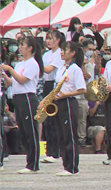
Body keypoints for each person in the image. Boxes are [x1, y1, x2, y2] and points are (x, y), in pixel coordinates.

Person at [39, 41, 86, 176]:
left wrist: (66, 94)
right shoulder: (61, 69)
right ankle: (66, 165)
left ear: (73, 53)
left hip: (69, 102)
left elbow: (82, 89)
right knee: (61, 135)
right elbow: (55, 88)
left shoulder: (75, 69)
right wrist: (44, 100)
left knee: (69, 136)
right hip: (58, 103)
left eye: (65, 50)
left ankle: (72, 167)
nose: (62, 52)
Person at [1, 36, 44, 174]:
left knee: (31, 131)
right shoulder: (20, 64)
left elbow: (22, 79)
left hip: (27, 97)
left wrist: (10, 69)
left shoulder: (32, 63)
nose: (20, 47)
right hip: (18, 97)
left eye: (23, 45)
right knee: (24, 131)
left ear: (30, 48)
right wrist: (4, 74)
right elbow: (12, 82)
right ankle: (29, 161)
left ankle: (33, 163)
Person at [40, 30, 65, 163]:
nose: (48, 41)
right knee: (47, 120)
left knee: (53, 119)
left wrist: (37, 61)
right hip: (46, 84)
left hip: (54, 84)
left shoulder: (59, 53)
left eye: (51, 38)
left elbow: (49, 69)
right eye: (47, 38)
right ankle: (49, 151)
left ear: (58, 40)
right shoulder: (46, 54)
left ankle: (55, 152)